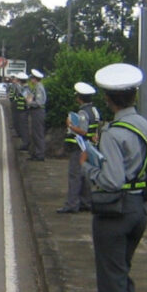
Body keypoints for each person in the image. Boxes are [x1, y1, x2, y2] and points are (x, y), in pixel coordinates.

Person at [81, 63, 147, 292]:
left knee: (111, 280)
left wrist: (87, 165)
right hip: (139, 206)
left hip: (115, 211)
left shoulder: (113, 133)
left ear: (109, 99)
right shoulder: (146, 125)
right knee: (123, 276)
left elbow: (111, 180)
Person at [58, 81, 101, 213]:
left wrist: (70, 125)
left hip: (79, 146)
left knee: (75, 175)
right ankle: (86, 202)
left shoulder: (83, 113)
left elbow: (83, 131)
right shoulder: (94, 110)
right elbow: (96, 128)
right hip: (90, 147)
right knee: (85, 174)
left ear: (79, 97)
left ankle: (71, 204)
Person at [26, 68, 47, 160]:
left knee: (38, 133)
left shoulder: (39, 88)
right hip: (35, 112)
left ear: (35, 79)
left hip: (38, 112)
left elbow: (39, 102)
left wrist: (30, 102)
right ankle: (35, 153)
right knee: (34, 134)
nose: (31, 80)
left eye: (32, 78)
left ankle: (40, 154)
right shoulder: (36, 87)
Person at [12, 72, 30, 150]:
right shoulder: (23, 88)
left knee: (24, 128)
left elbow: (28, 100)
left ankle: (26, 144)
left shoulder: (25, 89)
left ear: (20, 80)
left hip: (24, 111)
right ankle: (25, 143)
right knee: (22, 128)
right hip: (21, 110)